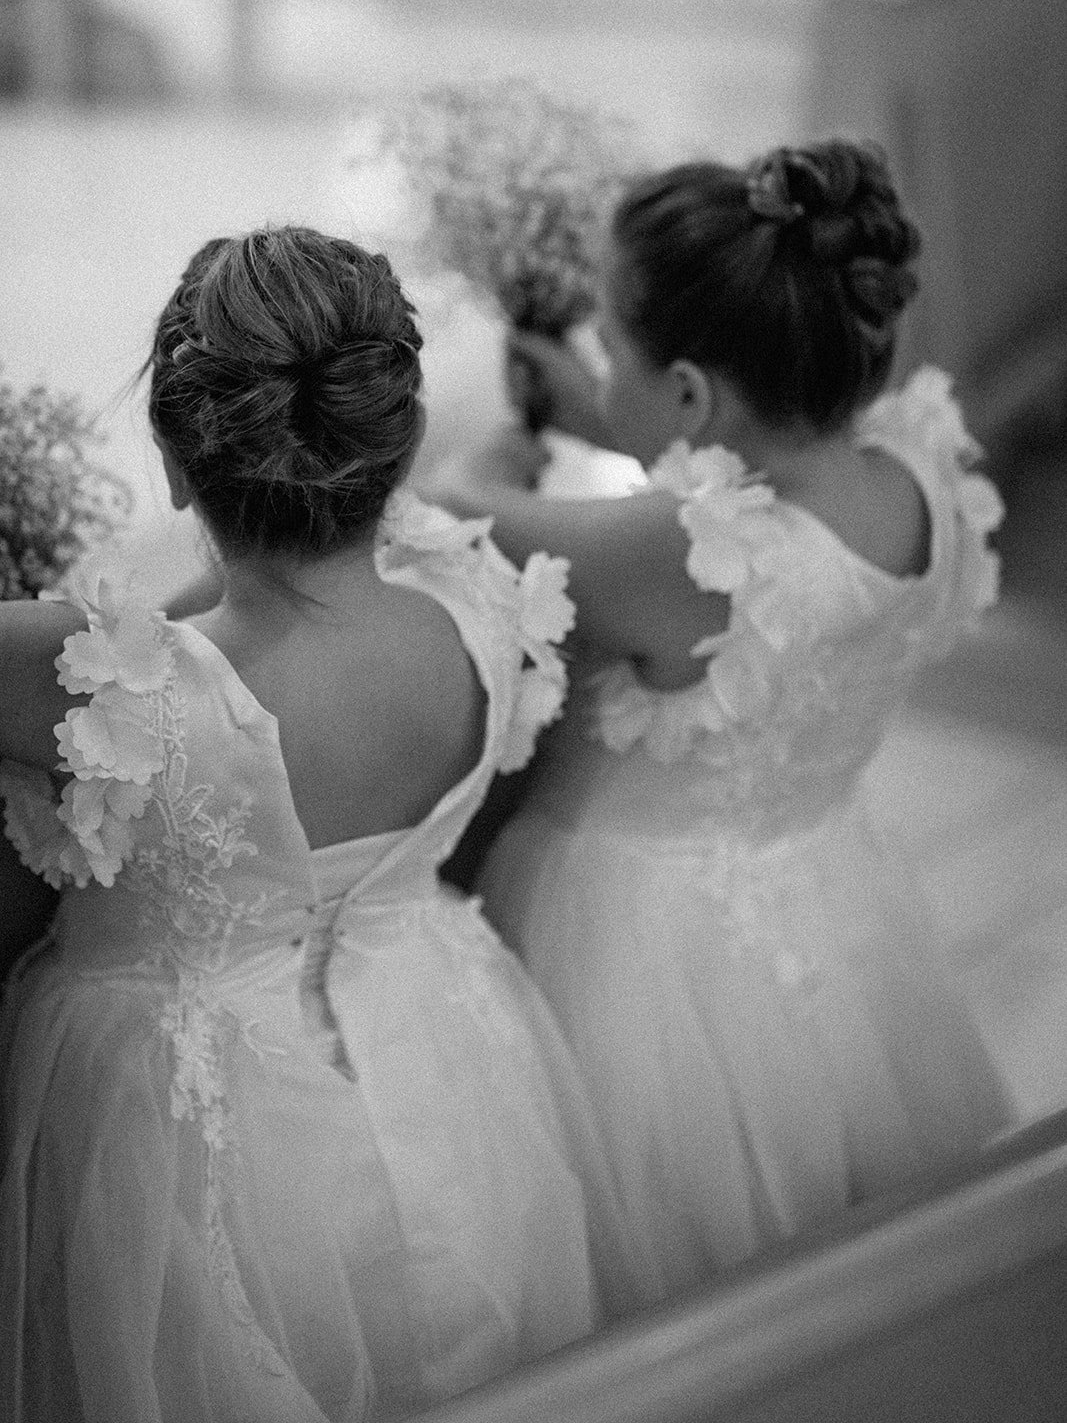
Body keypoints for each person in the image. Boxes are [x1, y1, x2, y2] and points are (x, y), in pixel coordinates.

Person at [0, 226, 640, 1422]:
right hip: (453, 1085)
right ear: (389, 453)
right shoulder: (479, 593)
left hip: (191, 1155)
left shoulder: (90, 678)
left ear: (181, 472)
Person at [427, 139, 1015, 1306]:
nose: (598, 364)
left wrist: (504, 446)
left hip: (635, 960)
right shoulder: (916, 473)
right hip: (829, 899)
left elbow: (464, 510)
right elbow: (735, 456)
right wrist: (615, 413)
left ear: (691, 392)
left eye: (610, 345)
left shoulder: (682, 557)